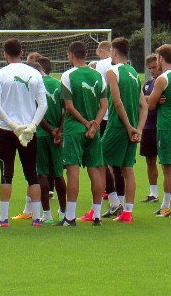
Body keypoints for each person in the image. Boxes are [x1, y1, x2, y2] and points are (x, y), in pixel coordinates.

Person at [0, 38, 47, 227]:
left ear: (5, 54)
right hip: (29, 131)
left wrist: (12, 125)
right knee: (32, 173)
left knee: (7, 174)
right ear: (21, 52)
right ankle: (37, 217)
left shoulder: (0, 74)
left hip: (7, 130)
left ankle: (4, 218)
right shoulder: (34, 73)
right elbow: (43, 104)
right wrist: (32, 125)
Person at [61, 41, 108, 226]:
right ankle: (97, 216)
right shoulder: (97, 75)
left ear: (71, 55)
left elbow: (69, 106)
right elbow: (104, 104)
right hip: (93, 130)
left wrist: (85, 123)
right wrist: (95, 125)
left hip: (74, 129)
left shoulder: (67, 75)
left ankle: (70, 217)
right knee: (95, 170)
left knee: (73, 172)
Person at [101, 38, 147, 223]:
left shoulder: (112, 71)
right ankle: (127, 212)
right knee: (128, 169)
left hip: (117, 126)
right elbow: (144, 104)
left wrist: (128, 127)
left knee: (97, 160)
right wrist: (139, 129)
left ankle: (102, 207)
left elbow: (117, 102)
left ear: (113, 51)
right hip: (133, 128)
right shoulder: (135, 74)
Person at [147, 44, 171, 219]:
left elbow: (151, 105)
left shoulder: (162, 79)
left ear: (160, 59)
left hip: (167, 126)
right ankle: (166, 205)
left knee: (169, 168)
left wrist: (153, 99)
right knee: (167, 166)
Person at [34, 56, 66, 225]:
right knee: (59, 174)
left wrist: (50, 130)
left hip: (40, 135)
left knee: (43, 174)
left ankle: (47, 214)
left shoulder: (34, 85)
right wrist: (59, 131)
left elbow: (37, 111)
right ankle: (63, 211)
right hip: (57, 137)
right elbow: (65, 109)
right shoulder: (58, 84)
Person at [90, 41, 120, 206]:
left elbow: (97, 92)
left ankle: (111, 202)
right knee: (121, 162)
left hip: (103, 115)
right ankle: (121, 202)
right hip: (120, 117)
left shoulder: (100, 66)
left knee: (99, 160)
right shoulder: (126, 67)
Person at [140, 54, 161, 203]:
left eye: (155, 67)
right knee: (150, 160)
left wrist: (148, 99)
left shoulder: (165, 82)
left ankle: (170, 193)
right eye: (150, 68)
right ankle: (153, 193)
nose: (152, 71)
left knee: (167, 162)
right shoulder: (147, 84)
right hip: (147, 126)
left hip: (161, 125)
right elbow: (139, 101)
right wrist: (152, 98)